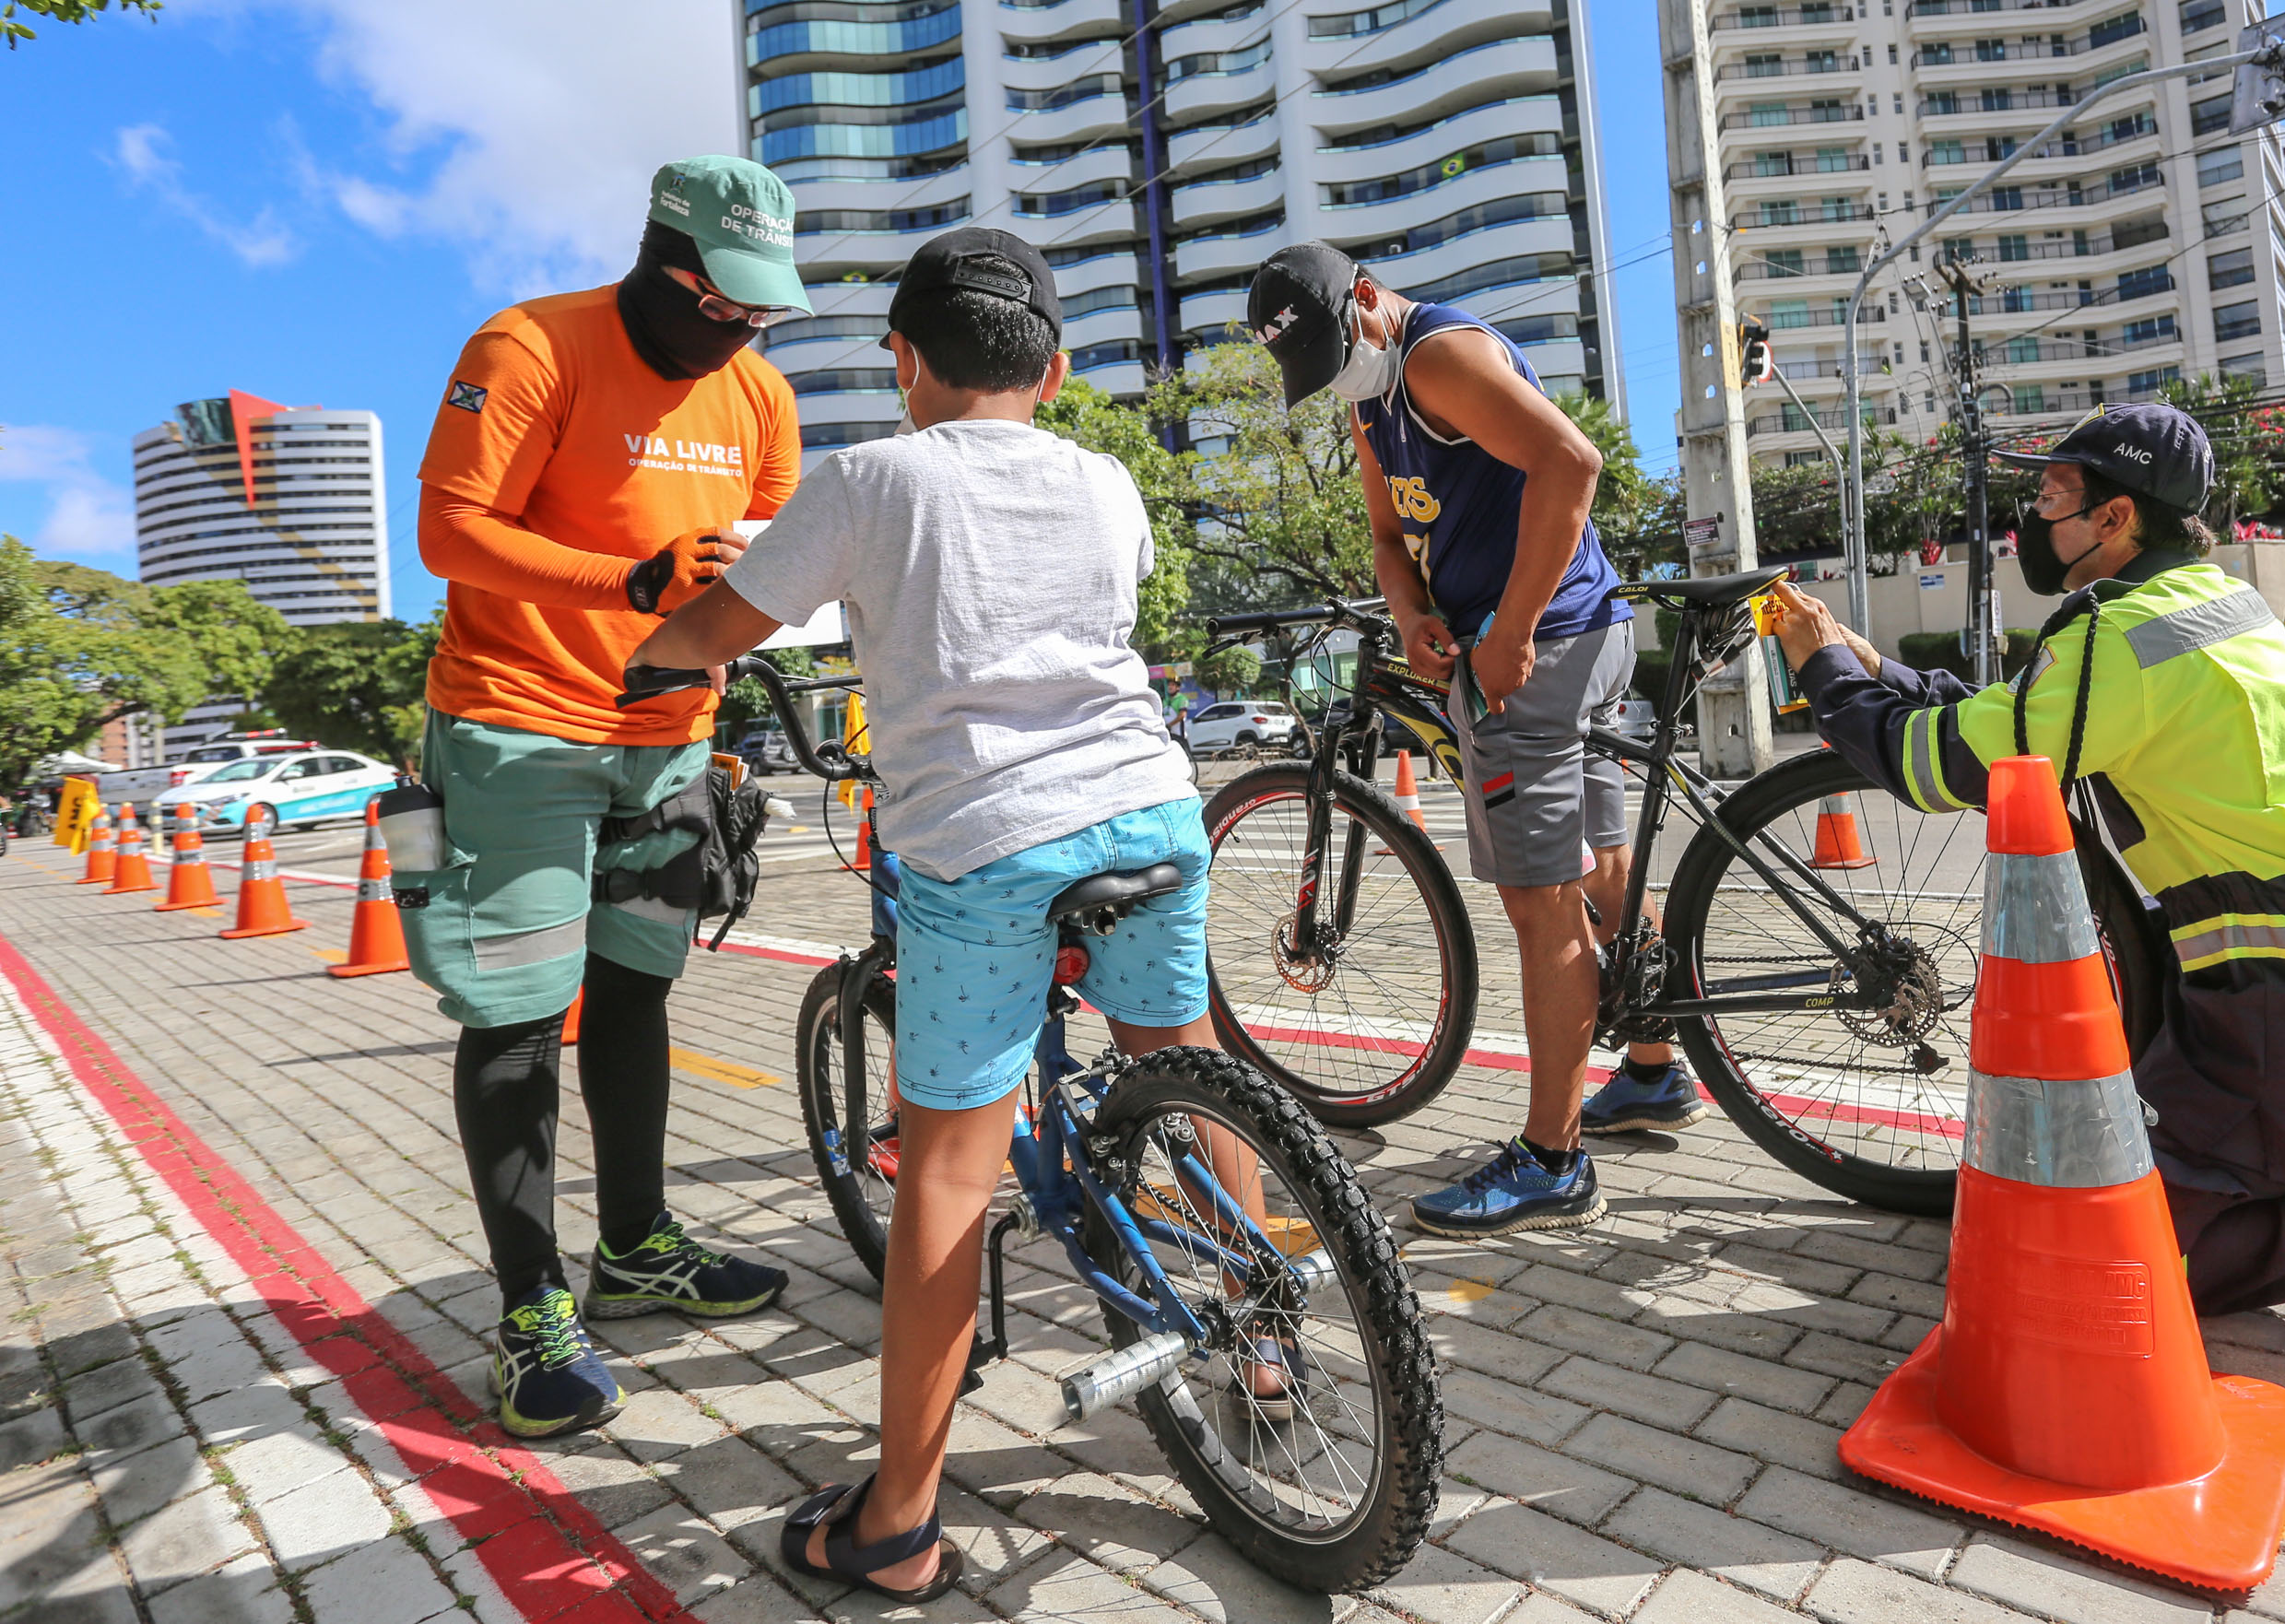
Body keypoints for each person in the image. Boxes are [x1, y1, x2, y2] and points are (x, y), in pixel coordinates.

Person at [628, 229, 1239, 1604]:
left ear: (903, 360)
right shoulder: (1105, 477)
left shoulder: (867, 479)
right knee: (1185, 1061)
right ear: (1055, 373)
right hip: (1152, 808)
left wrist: (647, 655)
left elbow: (724, 625)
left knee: (950, 1168)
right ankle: (1258, 1351)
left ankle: (897, 1521)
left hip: (980, 844)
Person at [1766, 403, 2285, 1364]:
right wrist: (1873, 668)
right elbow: (2012, 721)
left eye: (2052, 496)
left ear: (2114, 518)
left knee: (2101, 1272)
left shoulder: (2120, 636)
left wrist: (1823, 672)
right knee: (2102, 1203)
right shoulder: (2208, 605)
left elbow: (1938, 765)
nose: (2030, 518)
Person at [410, 155, 807, 1439]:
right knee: (519, 1013)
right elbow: (450, 532)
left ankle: (634, 1246)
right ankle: (531, 1308)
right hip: (518, 725)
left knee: (636, 988)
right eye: (725, 303)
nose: (742, 330)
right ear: (662, 262)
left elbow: (769, 552)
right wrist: (626, 583)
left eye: (762, 311)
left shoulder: (761, 395)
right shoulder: (531, 347)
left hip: (669, 739)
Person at [1246, 243, 1695, 1240]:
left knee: (1542, 906)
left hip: (1539, 652)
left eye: (1336, 353)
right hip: (1582, 634)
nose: (1337, 379)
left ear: (1368, 299)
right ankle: (1654, 1070)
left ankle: (1553, 1160)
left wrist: (1511, 635)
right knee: (1603, 870)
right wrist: (1411, 612)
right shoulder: (1374, 398)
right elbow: (1385, 534)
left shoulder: (1436, 357)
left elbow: (1573, 464)